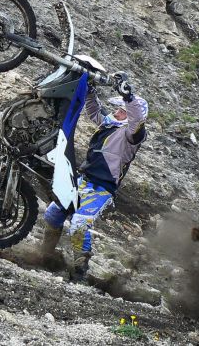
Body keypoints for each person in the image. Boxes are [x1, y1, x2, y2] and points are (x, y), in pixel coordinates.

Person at [38, 74, 148, 282]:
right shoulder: (109, 123)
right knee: (52, 213)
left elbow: (137, 121)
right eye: (118, 109)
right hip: (84, 180)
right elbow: (94, 111)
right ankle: (45, 255)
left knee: (79, 223)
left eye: (121, 111)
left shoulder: (133, 136)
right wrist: (89, 91)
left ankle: (80, 272)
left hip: (102, 188)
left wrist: (129, 97)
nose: (116, 112)